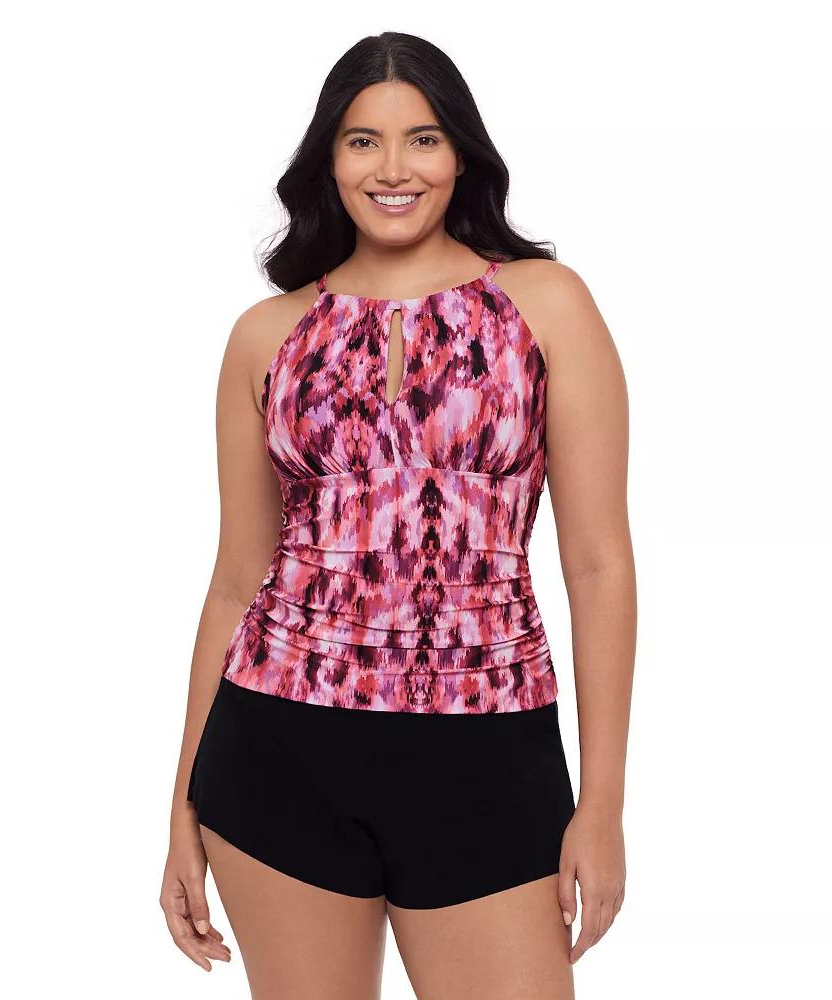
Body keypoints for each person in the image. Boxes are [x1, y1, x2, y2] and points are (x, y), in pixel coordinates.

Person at [160, 31, 635, 999]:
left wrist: (603, 803)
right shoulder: (266, 335)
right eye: (361, 141)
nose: (392, 169)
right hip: (277, 750)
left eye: (421, 138)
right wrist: (180, 805)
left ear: (461, 153)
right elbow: (236, 579)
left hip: (489, 751)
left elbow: (598, 564)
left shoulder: (546, 306)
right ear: (328, 161)